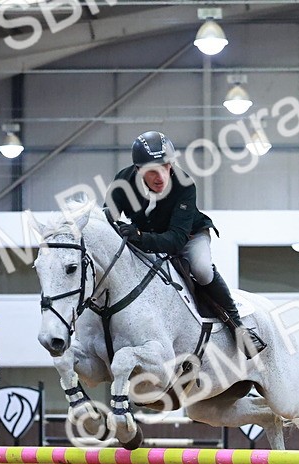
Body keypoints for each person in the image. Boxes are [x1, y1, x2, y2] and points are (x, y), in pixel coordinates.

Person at [104, 131, 265, 354]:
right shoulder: (123, 182)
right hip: (148, 238)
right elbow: (107, 219)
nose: (161, 177)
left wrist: (139, 237)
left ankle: (238, 327)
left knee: (202, 270)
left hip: (189, 236)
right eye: (152, 171)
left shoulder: (184, 184)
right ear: (138, 169)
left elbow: (176, 240)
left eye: (165, 167)